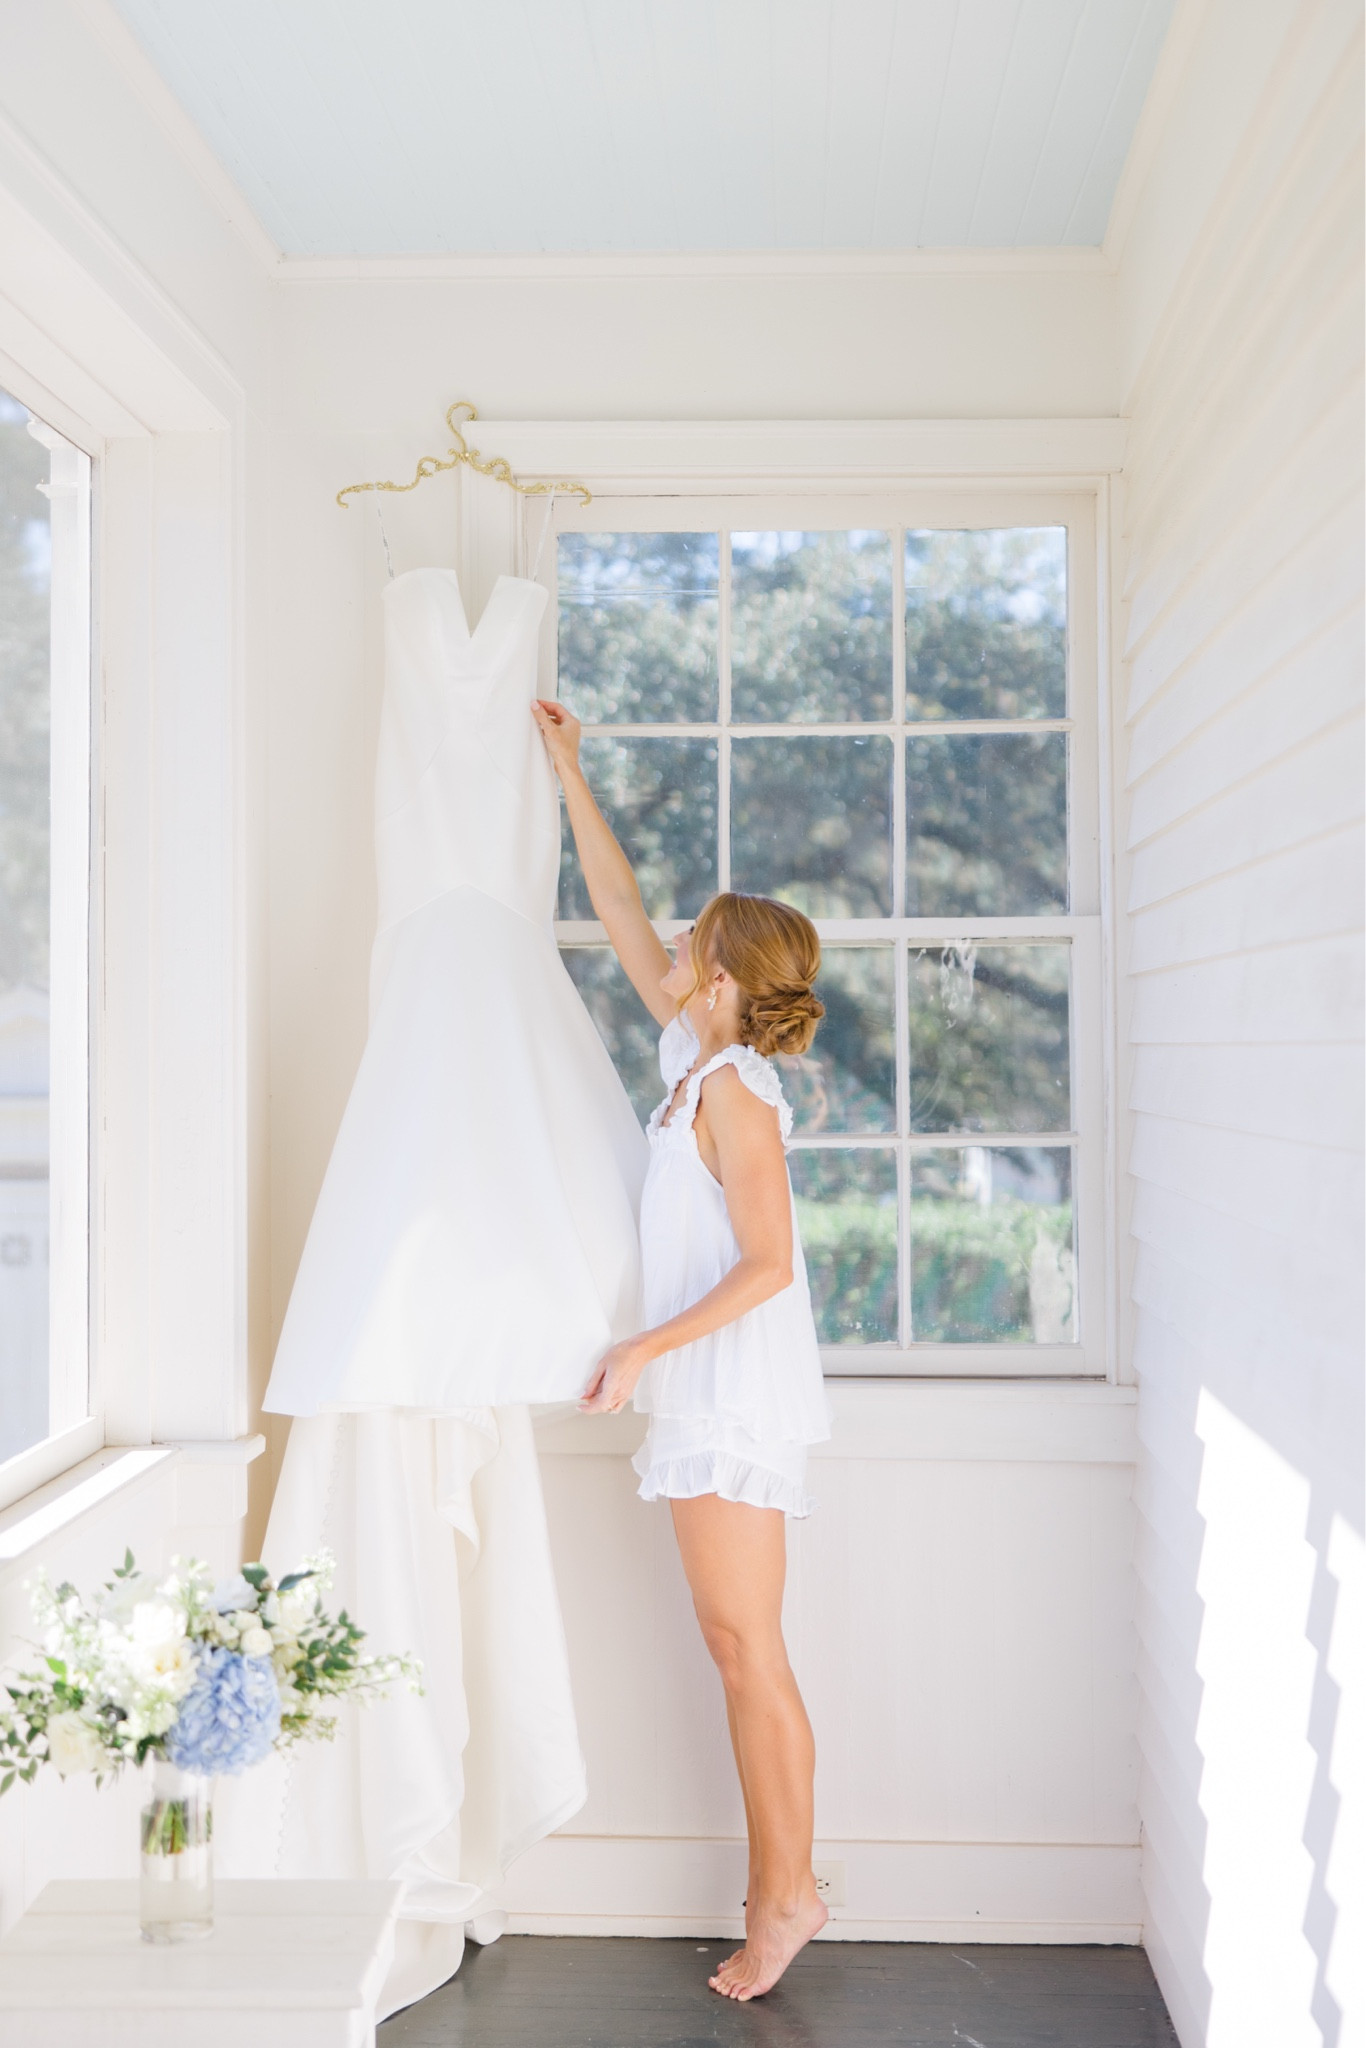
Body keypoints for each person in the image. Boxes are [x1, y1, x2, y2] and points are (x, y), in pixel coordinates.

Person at [533, 695, 834, 2002]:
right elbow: (612, 907)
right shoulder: (682, 1060)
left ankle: (788, 1898)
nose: (662, 947)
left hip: (728, 1388)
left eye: (687, 944)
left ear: (719, 978)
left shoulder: (734, 1094)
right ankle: (786, 1889)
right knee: (733, 1643)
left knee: (745, 1648)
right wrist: (568, 774)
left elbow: (769, 1267)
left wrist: (644, 1350)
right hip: (702, 1382)